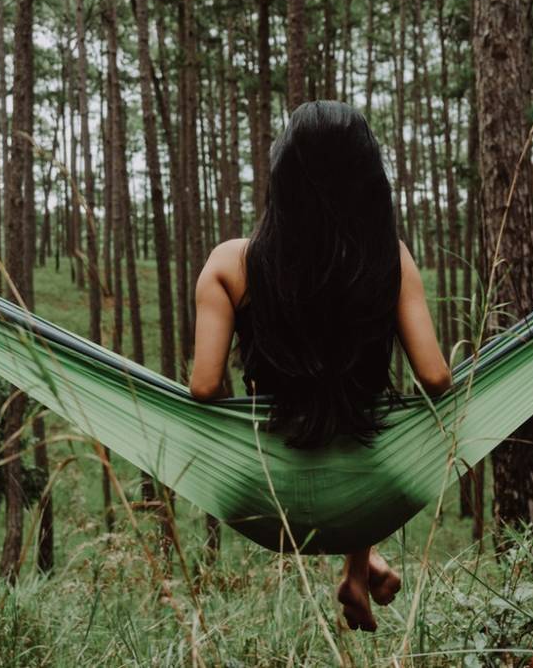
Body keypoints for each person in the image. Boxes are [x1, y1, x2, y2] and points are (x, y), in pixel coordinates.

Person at [189, 100, 452, 632]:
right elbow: (435, 377)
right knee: (354, 424)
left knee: (328, 421)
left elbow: (204, 386)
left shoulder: (229, 263)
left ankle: (360, 573)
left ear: (283, 175)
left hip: (265, 491)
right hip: (373, 490)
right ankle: (361, 561)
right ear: (368, 179)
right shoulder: (389, 260)